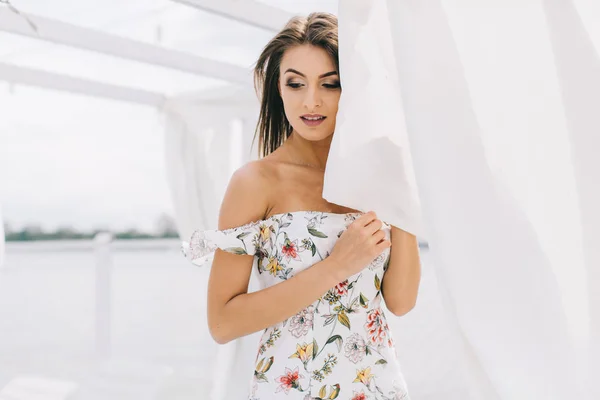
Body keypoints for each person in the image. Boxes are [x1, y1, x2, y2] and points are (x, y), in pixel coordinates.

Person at [182, 12, 421, 400]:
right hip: (292, 389)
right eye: (296, 84)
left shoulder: (375, 176)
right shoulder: (255, 182)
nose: (311, 101)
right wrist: (336, 267)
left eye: (331, 84)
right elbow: (222, 323)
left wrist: (400, 187)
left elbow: (401, 302)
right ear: (279, 87)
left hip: (377, 387)